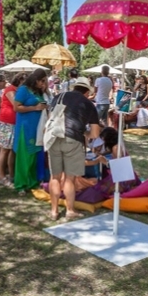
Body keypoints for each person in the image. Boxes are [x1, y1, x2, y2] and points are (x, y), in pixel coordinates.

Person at [47, 77, 100, 221]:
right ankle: (70, 210)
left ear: (74, 87)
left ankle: (54, 211)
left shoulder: (59, 96)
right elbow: (95, 134)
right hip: (73, 139)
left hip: (53, 137)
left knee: (55, 177)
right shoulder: (88, 104)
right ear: (87, 92)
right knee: (70, 178)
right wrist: (85, 133)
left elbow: (50, 118)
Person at [13, 68, 48, 195]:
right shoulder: (23, 90)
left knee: (34, 156)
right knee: (24, 157)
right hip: (25, 128)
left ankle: (32, 182)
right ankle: (21, 185)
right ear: (36, 80)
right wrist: (35, 108)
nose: (43, 84)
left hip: (36, 129)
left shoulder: (37, 91)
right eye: (42, 81)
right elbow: (16, 107)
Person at [0, 72, 27, 187]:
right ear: (19, 80)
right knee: (4, 150)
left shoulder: (20, 91)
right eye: (24, 81)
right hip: (6, 122)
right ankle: (2, 176)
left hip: (15, 123)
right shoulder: (10, 89)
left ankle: (12, 175)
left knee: (13, 150)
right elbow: (16, 104)